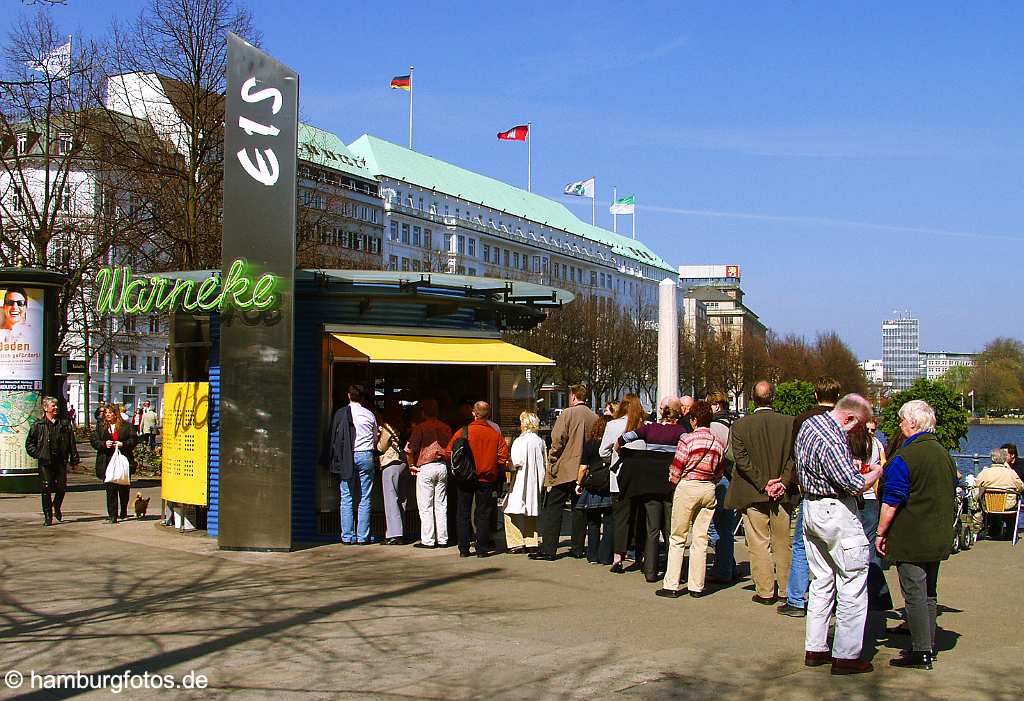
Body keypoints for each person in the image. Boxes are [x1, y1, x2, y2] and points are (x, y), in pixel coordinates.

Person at [794, 393, 882, 675]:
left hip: (811, 507)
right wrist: (877, 471)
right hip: (836, 512)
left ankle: (815, 647)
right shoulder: (833, 438)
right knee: (853, 582)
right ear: (849, 418)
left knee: (821, 580)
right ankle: (846, 655)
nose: (859, 433)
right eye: (859, 426)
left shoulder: (811, 425)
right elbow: (853, 483)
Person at [877, 399, 957, 671]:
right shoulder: (942, 453)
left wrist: (880, 532)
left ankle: (921, 650)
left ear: (912, 423)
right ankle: (927, 642)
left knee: (914, 592)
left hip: (912, 535)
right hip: (937, 533)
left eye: (901, 421)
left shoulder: (906, 457)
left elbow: (892, 500)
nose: (900, 425)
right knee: (929, 592)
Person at [725, 380, 797, 604]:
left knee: (758, 542)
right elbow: (795, 457)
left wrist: (764, 483)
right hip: (782, 494)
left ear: (752, 399)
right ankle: (786, 588)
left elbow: (740, 460)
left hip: (753, 492)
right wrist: (782, 482)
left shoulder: (740, 426)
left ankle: (765, 589)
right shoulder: (790, 423)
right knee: (783, 542)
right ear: (773, 397)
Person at [778, 376, 841, 617]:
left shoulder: (803, 419)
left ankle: (796, 599)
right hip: (839, 493)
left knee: (802, 546)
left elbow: (796, 453)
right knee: (836, 549)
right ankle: (835, 600)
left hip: (811, 491)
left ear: (816, 395)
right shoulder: (845, 419)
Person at [657, 400, 725, 598]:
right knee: (701, 539)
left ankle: (671, 584)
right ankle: (697, 586)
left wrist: (673, 478)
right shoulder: (717, 442)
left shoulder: (687, 440)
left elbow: (677, 467)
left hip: (688, 486)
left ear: (694, 420)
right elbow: (720, 471)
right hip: (708, 488)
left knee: (678, 537)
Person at [616, 400, 688, 582]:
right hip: (671, 485)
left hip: (649, 486)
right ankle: (675, 572)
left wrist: (619, 447)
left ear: (662, 413)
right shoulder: (680, 432)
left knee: (652, 529)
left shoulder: (649, 429)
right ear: (677, 416)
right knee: (671, 530)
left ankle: (650, 570)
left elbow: (625, 438)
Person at [531, 385, 597, 561]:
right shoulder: (594, 417)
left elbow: (557, 439)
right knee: (579, 509)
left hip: (565, 467)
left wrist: (552, 457)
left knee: (554, 508)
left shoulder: (567, 414)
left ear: (574, 396)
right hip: (584, 468)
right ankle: (577, 547)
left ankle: (548, 548)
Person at [446, 401, 509, 557]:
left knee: (463, 512)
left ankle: (464, 548)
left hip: (465, 478)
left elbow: (449, 453)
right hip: (487, 479)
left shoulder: (462, 432)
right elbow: (502, 458)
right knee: (483, 513)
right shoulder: (495, 435)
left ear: (473, 413)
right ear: (488, 415)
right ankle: (482, 548)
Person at [600, 394, 646, 573]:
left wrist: (610, 458)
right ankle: (641, 554)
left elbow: (602, 451)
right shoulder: (645, 426)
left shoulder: (613, 425)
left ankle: (618, 557)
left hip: (618, 478)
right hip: (641, 478)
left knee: (621, 519)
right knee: (640, 519)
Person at [328, 384, 378, 545]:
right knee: (365, 496)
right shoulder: (369, 415)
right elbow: (375, 438)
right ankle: (363, 536)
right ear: (363, 398)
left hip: (347, 456)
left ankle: (347, 536)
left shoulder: (341, 413)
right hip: (366, 455)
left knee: (346, 496)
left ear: (349, 396)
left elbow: (333, 437)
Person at [25, 396, 80, 526]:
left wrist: (74, 459)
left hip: (60, 460)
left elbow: (72, 443)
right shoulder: (38, 425)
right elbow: (29, 444)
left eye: (56, 405)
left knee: (61, 487)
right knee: (46, 487)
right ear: (45, 408)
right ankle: (48, 515)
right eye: (53, 406)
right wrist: (39, 454)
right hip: (46, 461)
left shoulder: (64, 423)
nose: (55, 408)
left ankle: (56, 505)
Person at [405, 399, 452, 549]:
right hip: (442, 466)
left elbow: (409, 449)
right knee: (441, 504)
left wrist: (411, 464)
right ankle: (443, 538)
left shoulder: (420, 428)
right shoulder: (446, 428)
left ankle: (428, 539)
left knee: (426, 505)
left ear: (423, 412)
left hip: (425, 466)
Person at [706, 391, 738, 584]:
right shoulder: (734, 422)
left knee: (713, 526)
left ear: (716, 405)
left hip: (720, 477)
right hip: (733, 477)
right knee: (725, 527)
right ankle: (728, 567)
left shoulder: (714, 426)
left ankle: (723, 568)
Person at [504, 411, 547, 554]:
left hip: (520, 480)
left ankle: (516, 542)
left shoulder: (519, 441)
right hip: (535, 481)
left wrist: (507, 467)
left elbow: (515, 463)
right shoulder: (540, 441)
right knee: (531, 510)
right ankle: (531, 541)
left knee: (509, 510)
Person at [575, 416, 614, 564]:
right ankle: (606, 556)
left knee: (593, 522)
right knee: (609, 522)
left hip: (593, 486)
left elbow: (583, 467)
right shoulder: (610, 445)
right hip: (608, 484)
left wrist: (579, 483)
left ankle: (592, 555)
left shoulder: (590, 444)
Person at [91, 403, 138, 524]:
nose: (107, 415)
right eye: (106, 413)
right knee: (110, 488)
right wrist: (103, 444)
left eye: (110, 413)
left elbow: (133, 440)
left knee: (123, 487)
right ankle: (112, 515)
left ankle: (123, 510)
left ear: (116, 414)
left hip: (123, 459)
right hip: (106, 459)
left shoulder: (126, 426)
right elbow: (94, 440)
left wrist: (124, 444)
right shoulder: (101, 426)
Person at [974, 447, 1024, 539]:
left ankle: (992, 530)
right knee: (1013, 506)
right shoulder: (1011, 473)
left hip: (990, 505)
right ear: (1004, 459)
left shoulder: (985, 472)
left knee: (985, 502)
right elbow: (1021, 487)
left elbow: (977, 484)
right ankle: (1010, 533)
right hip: (1008, 505)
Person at [377, 401, 408, 546]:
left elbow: (381, 447)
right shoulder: (402, 425)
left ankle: (394, 535)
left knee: (391, 500)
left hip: (390, 463)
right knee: (402, 499)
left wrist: (377, 438)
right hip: (403, 463)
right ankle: (401, 531)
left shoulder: (386, 427)